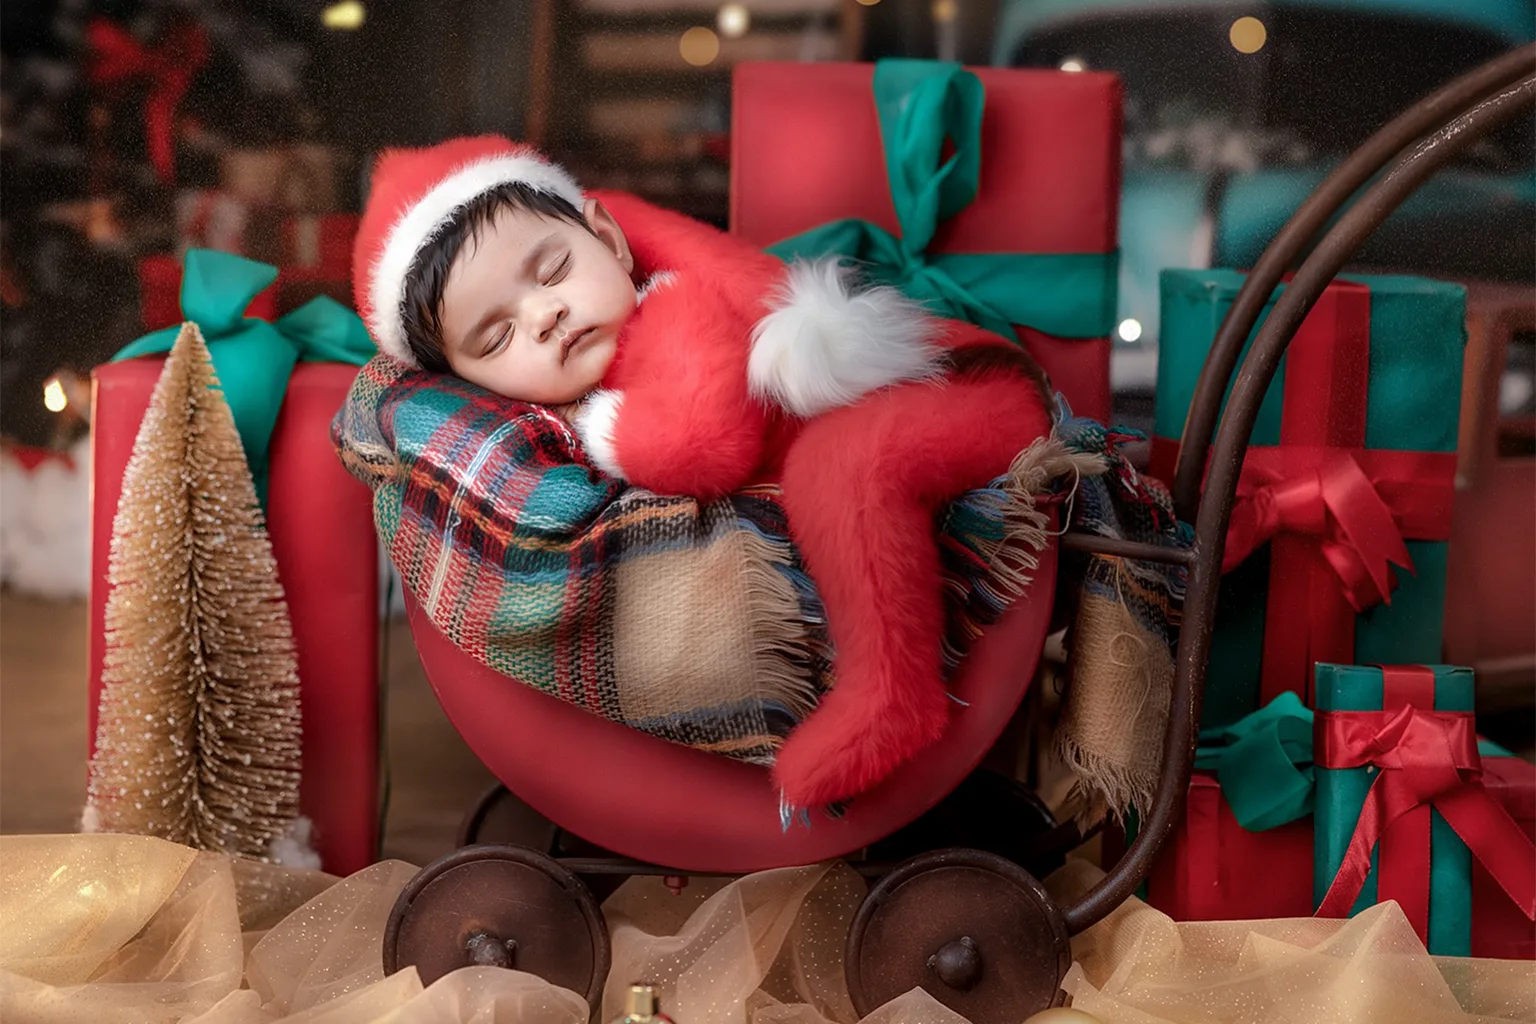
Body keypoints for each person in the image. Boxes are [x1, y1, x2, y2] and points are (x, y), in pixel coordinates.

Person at [352, 136, 1053, 809]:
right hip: (919, 420)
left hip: (969, 408)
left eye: (553, 270)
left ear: (611, 239)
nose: (544, 314)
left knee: (843, 465)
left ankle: (895, 696)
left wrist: (602, 430)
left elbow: (703, 444)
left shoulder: (674, 309)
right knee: (835, 464)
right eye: (497, 336)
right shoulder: (545, 405)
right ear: (470, 381)